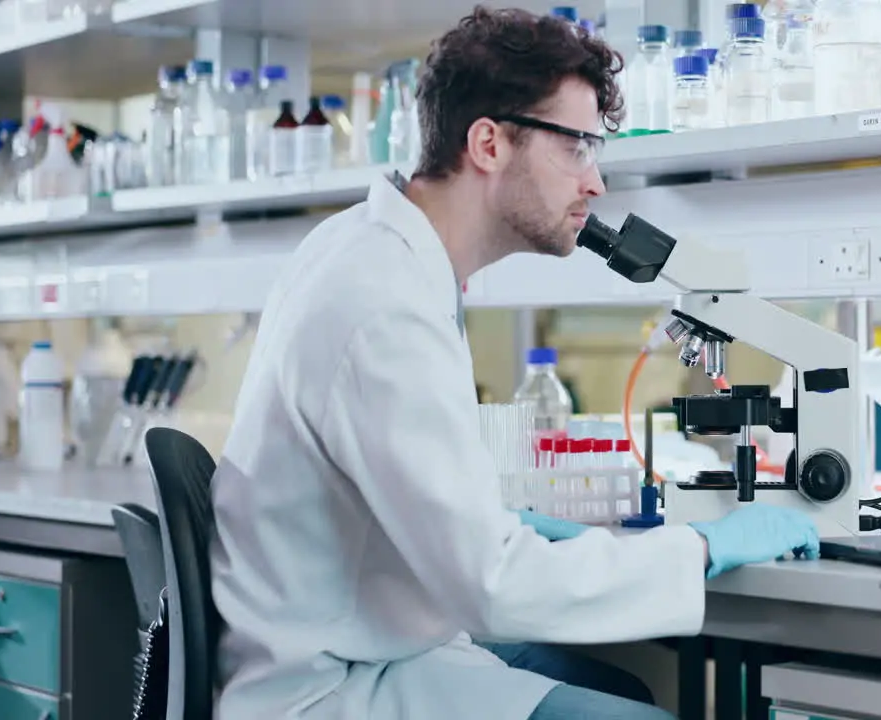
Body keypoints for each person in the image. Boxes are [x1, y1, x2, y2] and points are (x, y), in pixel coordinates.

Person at [208, 7, 821, 719]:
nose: (595, 184)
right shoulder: (382, 303)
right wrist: (701, 547)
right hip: (332, 689)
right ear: (490, 144)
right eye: (578, 148)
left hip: (370, 643)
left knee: (618, 689)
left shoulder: (377, 253)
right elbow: (493, 586)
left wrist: (508, 523)